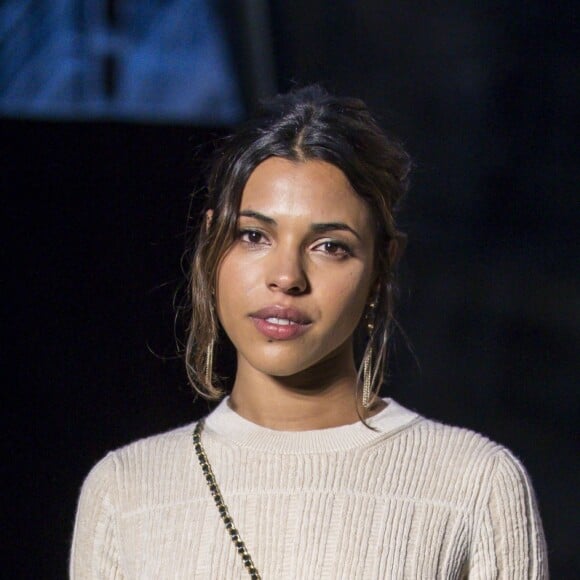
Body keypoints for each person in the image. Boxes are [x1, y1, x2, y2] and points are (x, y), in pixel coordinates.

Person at [70, 85, 548, 579]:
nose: (286, 276)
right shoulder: (125, 491)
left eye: (329, 246)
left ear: (382, 265)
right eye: (253, 236)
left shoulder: (473, 485)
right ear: (212, 242)